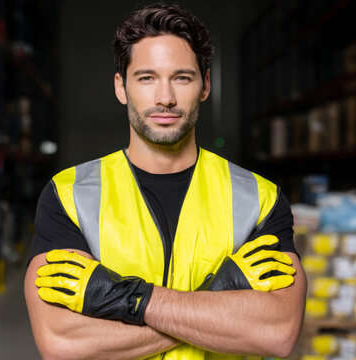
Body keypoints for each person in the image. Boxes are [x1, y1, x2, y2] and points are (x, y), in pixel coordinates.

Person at [25, 3, 306, 359]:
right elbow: (62, 342)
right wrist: (215, 304)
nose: (165, 98)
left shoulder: (259, 199)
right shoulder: (69, 195)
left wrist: (124, 298)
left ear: (205, 85)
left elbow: (277, 333)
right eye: (147, 78)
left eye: (182, 77)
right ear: (121, 87)